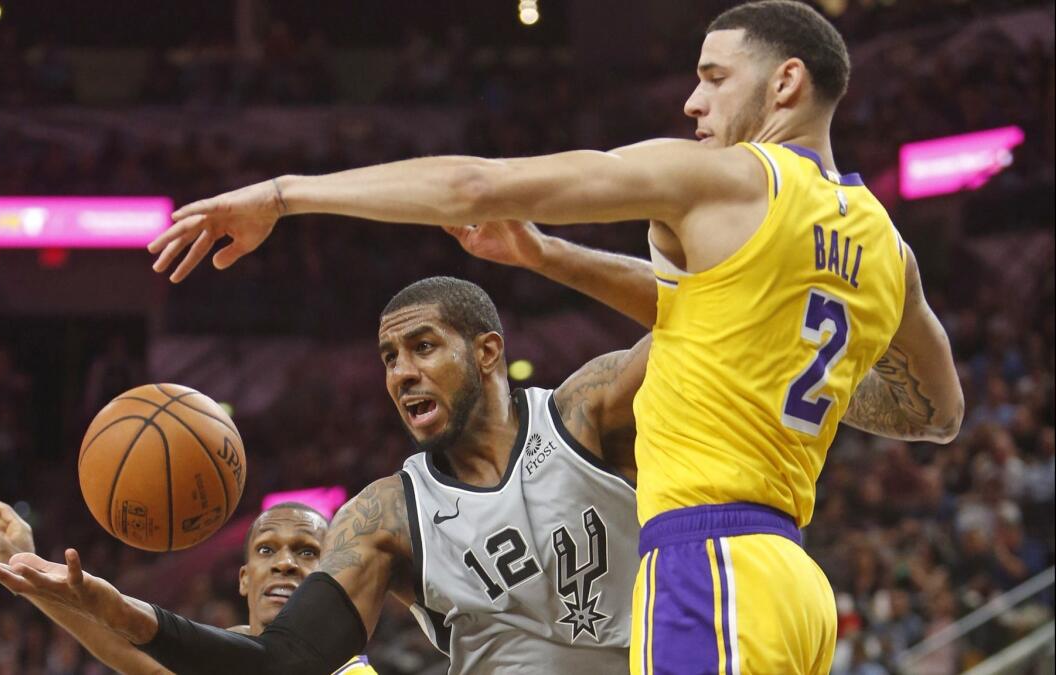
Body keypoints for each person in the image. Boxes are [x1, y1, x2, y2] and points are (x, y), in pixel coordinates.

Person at [145, 2, 965, 672]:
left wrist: (285, 194)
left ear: (786, 82)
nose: (692, 103)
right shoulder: (886, 247)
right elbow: (935, 410)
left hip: (704, 564)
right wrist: (546, 254)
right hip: (794, 585)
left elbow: (475, 184)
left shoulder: (726, 177)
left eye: (714, 77)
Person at [0, 274, 651, 674]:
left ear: (488, 351)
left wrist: (550, 253)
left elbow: (712, 320)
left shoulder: (587, 410)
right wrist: (108, 605)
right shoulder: (385, 516)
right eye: (389, 357)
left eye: (422, 347)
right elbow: (281, 664)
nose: (401, 372)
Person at [0, 493, 376, 674]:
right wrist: (31, 576)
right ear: (244, 579)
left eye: (306, 552)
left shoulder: (348, 671)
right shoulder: (218, 652)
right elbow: (132, 656)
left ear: (329, 581)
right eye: (267, 550)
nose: (284, 563)